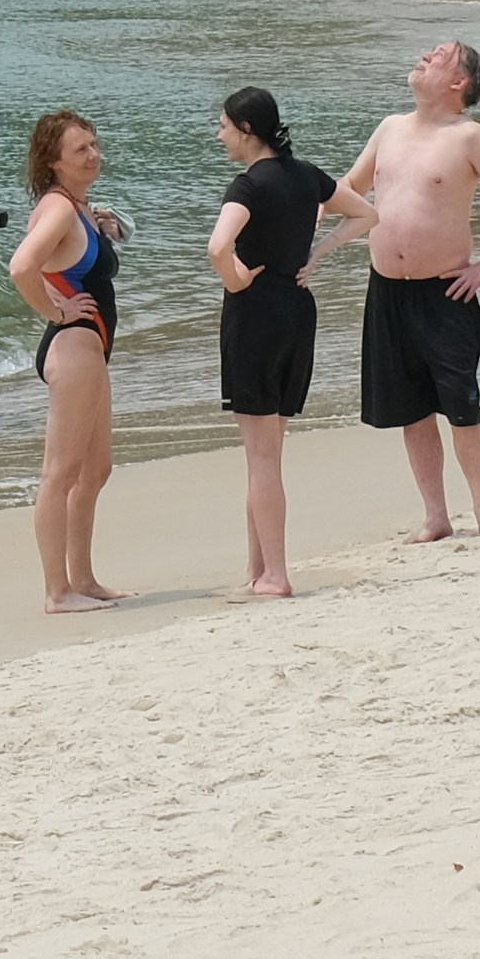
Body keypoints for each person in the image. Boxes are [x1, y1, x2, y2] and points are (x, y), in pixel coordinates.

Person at [331, 41, 480, 539]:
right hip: (387, 290)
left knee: (461, 405)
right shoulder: (389, 127)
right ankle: (435, 515)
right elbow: (349, 189)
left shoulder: (470, 137)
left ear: (460, 83)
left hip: (446, 292)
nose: (424, 57)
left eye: (439, 56)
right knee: (411, 408)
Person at [204, 85, 327, 598]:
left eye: (225, 126)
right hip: (297, 315)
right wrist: (318, 255)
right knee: (269, 449)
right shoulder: (306, 176)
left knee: (260, 457)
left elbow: (216, 246)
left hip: (254, 319)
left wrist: (235, 279)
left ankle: (275, 573)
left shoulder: (248, 186)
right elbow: (367, 212)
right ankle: (258, 566)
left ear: (247, 131)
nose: (220, 134)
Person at [7, 108, 124, 614]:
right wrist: (55, 310)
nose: (93, 155)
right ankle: (57, 592)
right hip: (73, 345)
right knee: (61, 472)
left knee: (96, 469)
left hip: (90, 347)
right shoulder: (57, 208)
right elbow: (21, 267)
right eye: (81, 149)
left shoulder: (74, 206)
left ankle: (84, 579)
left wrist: (99, 223)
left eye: (94, 144)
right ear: (52, 162)